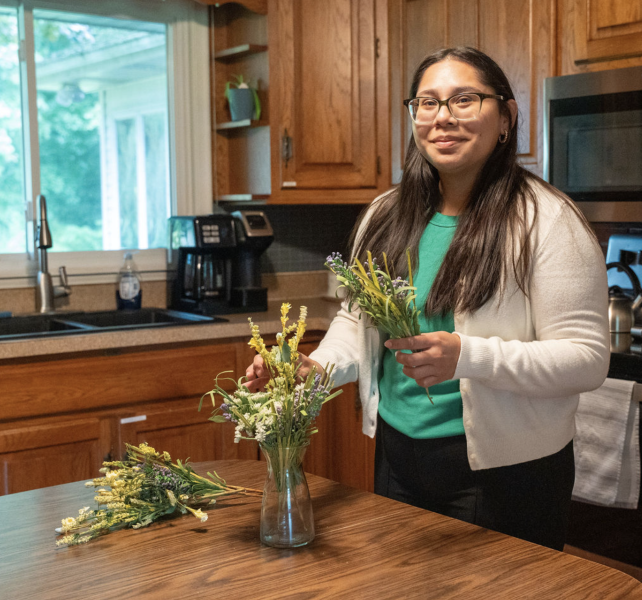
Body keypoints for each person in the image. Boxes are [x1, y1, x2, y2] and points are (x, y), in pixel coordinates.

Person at [245, 47, 609, 551]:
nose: (443, 117)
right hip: (399, 457)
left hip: (505, 472)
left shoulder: (546, 221)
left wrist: (467, 356)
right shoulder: (386, 215)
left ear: (505, 117)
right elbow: (358, 323)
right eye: (428, 103)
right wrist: (313, 370)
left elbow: (587, 361)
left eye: (465, 100)